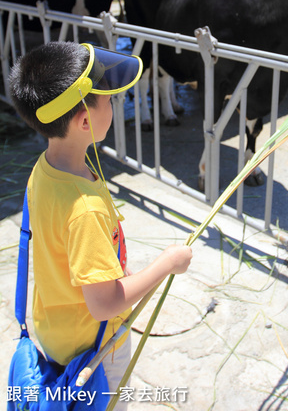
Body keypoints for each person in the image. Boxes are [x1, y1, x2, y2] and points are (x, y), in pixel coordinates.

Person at [8, 41, 193, 407]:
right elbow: (104, 304)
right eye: (108, 99)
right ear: (84, 121)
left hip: (55, 329)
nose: (116, 102)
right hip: (93, 350)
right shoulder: (85, 209)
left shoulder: (44, 170)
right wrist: (167, 264)